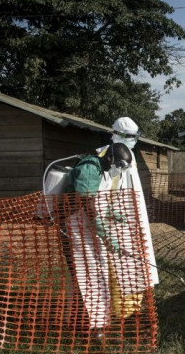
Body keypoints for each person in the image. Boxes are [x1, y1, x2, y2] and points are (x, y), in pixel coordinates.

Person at [64, 143, 150, 333]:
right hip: (78, 228)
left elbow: (97, 199)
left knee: (99, 272)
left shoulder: (101, 170)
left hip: (89, 228)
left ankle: (95, 319)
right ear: (110, 158)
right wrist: (107, 235)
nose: (118, 170)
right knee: (86, 275)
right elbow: (87, 205)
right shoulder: (89, 168)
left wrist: (112, 213)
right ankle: (88, 324)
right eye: (118, 165)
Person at [105, 117, 159, 288]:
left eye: (135, 137)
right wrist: (109, 210)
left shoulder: (130, 155)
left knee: (135, 252)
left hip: (131, 212)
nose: (133, 141)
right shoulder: (110, 155)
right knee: (118, 258)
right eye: (130, 136)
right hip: (115, 214)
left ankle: (136, 290)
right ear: (117, 134)